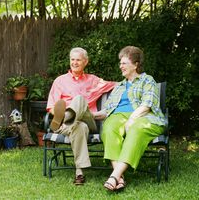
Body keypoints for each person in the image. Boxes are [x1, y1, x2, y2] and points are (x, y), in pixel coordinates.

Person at [98, 46, 167, 191]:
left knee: (137, 128)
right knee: (109, 127)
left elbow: (147, 105)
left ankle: (114, 175)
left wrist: (131, 120)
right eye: (120, 63)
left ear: (136, 64)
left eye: (124, 63)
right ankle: (119, 177)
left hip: (145, 117)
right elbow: (107, 110)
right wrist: (90, 114)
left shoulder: (147, 80)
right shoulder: (119, 86)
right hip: (119, 117)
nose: (120, 66)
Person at [46, 47, 116, 185]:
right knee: (80, 127)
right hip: (68, 126)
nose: (75, 62)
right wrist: (59, 114)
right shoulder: (60, 81)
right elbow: (51, 108)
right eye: (72, 59)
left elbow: (116, 85)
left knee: (79, 99)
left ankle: (67, 115)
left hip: (91, 121)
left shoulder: (94, 80)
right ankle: (79, 173)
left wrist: (135, 81)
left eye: (78, 60)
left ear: (85, 62)